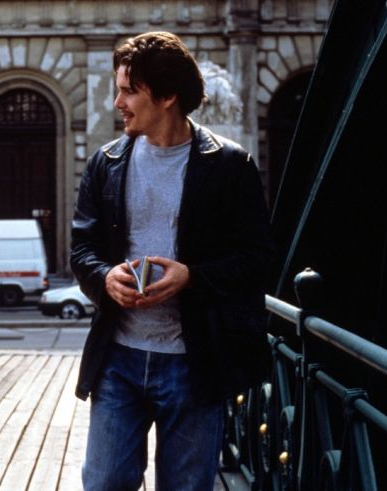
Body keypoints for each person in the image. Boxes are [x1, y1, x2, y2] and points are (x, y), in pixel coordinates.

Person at [70, 31, 275, 490]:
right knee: (102, 483)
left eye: (128, 90)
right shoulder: (106, 162)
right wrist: (106, 278)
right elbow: (81, 252)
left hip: (194, 362)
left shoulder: (229, 165)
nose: (117, 101)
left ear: (166, 96)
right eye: (118, 88)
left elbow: (259, 260)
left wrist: (192, 278)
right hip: (118, 359)